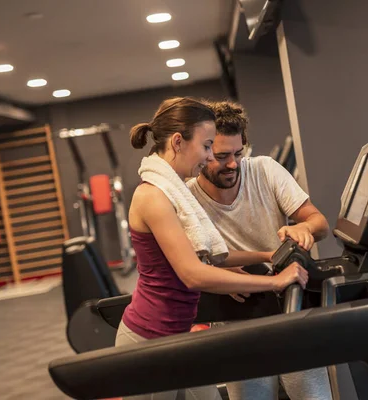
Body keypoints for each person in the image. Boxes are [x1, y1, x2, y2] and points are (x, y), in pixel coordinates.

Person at [116, 97, 309, 400]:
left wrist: (267, 256)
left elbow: (206, 254)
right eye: (207, 146)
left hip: (178, 334)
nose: (208, 158)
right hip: (150, 339)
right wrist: (274, 281)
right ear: (178, 142)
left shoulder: (173, 189)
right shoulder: (154, 196)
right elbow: (194, 274)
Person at [188, 100, 332, 400]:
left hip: (288, 305)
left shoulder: (265, 170)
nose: (233, 164)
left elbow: (319, 222)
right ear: (203, 154)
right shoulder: (188, 199)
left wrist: (303, 228)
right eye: (222, 156)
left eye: (238, 153)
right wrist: (216, 272)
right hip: (235, 316)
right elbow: (188, 264)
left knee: (312, 395)